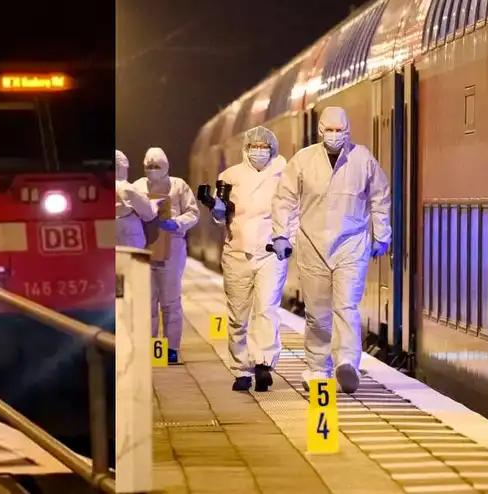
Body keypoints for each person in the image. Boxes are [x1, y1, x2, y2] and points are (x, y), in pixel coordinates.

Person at [271, 107, 391, 394]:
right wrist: (280, 235)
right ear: (320, 130)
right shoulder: (303, 161)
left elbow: (380, 198)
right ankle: (317, 367)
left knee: (347, 306)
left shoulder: (362, 160)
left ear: (348, 130)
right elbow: (284, 199)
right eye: (330, 130)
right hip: (312, 246)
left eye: (340, 130)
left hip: (352, 245)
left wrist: (381, 236)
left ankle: (347, 362)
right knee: (317, 312)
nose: (335, 135)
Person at [211, 126, 288, 392]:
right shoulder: (229, 176)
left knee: (266, 308)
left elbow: (293, 210)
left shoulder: (284, 174)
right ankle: (241, 369)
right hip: (237, 252)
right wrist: (218, 210)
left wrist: (287, 238)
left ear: (272, 148)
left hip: (271, 252)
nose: (259, 151)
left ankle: (263, 364)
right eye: (254, 146)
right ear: (246, 149)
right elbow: (219, 216)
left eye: (263, 146)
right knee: (237, 314)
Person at [134, 147, 199, 364]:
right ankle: (152, 345)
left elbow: (193, 213)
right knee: (148, 302)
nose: (152, 170)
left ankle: (171, 347)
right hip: (144, 248)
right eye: (149, 166)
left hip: (173, 247)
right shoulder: (137, 187)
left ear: (166, 166)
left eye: (157, 166)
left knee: (170, 300)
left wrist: (177, 223)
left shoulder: (178, 185)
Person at [115, 150, 160, 249]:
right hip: (128, 242)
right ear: (120, 167)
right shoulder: (126, 188)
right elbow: (149, 213)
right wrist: (155, 202)